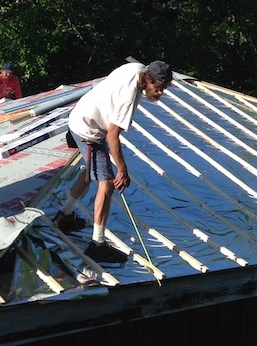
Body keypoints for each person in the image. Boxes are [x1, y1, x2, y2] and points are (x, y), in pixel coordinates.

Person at [54, 60, 173, 263]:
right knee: (107, 183)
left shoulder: (135, 68)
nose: (160, 93)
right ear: (148, 78)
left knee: (91, 170)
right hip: (88, 130)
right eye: (158, 87)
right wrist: (122, 170)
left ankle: (64, 216)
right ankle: (97, 245)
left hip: (81, 116)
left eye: (164, 88)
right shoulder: (129, 98)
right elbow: (112, 135)